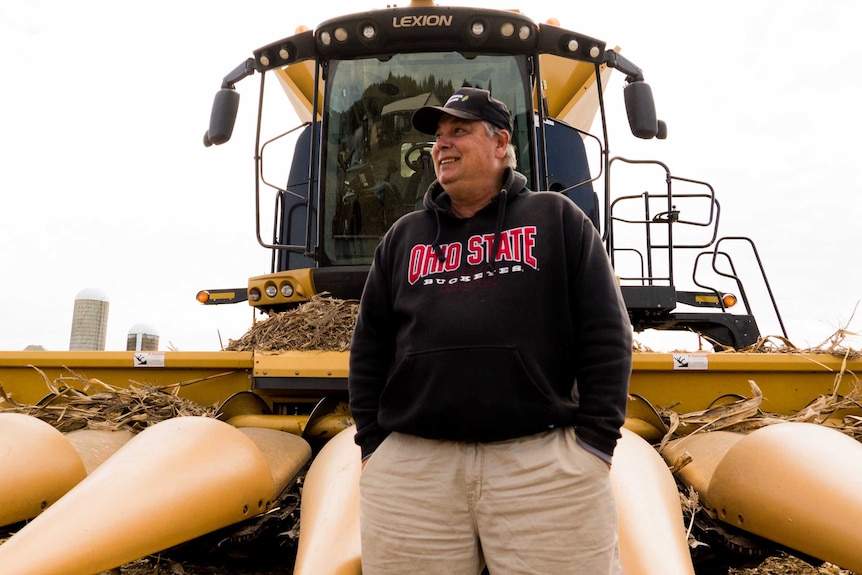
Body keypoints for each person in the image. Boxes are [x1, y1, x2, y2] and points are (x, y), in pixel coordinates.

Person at [348, 87, 632, 575]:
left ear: (500, 143)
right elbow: (369, 346)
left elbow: (607, 333)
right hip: (416, 472)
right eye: (438, 136)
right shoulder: (403, 236)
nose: (442, 145)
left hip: (540, 467)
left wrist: (596, 443)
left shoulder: (557, 219)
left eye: (459, 131)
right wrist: (373, 443)